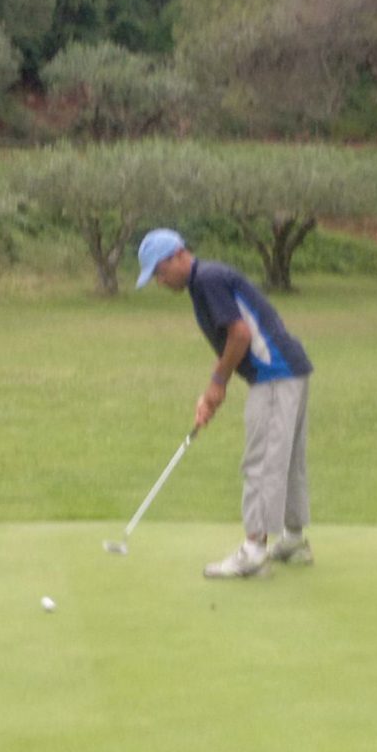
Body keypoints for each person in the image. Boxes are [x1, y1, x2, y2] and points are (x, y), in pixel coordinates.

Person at [135, 228, 313, 580]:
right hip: (291, 371)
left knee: (262, 462)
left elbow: (240, 335)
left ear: (177, 256)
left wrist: (218, 383)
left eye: (159, 271)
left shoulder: (206, 280)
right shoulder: (206, 279)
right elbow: (234, 339)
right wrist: (214, 390)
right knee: (286, 460)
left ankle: (254, 552)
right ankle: (293, 540)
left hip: (274, 375)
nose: (160, 281)